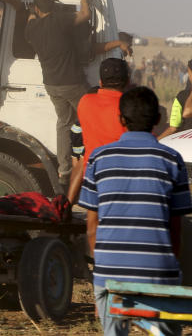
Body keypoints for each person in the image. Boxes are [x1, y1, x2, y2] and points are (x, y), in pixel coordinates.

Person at [79, 86, 192, 336]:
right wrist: (169, 269)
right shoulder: (172, 160)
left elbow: (91, 229)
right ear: (158, 120)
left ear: (121, 119)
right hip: (159, 272)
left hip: (109, 272)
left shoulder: (98, 159)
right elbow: (176, 230)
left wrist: (102, 277)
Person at [25, 0, 132, 183]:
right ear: (54, 7)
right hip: (72, 82)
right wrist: (84, 1)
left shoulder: (31, 28)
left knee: (63, 123)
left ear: (37, 8)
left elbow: (31, 18)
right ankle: (97, 164)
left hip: (51, 84)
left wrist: (30, 12)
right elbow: (84, 16)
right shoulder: (60, 21)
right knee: (92, 118)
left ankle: (64, 171)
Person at [66, 58, 130, 203]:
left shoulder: (85, 102)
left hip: (92, 178)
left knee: (93, 224)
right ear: (127, 81)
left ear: (100, 82)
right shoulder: (130, 107)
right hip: (122, 179)